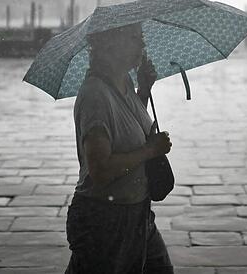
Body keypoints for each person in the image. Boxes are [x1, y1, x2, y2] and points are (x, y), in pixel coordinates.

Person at [65, 22, 174, 274]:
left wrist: (144, 91)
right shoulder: (96, 96)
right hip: (105, 220)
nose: (143, 44)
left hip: (137, 215)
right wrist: (151, 151)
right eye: (135, 37)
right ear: (112, 45)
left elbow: (128, 131)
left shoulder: (123, 84)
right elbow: (100, 170)